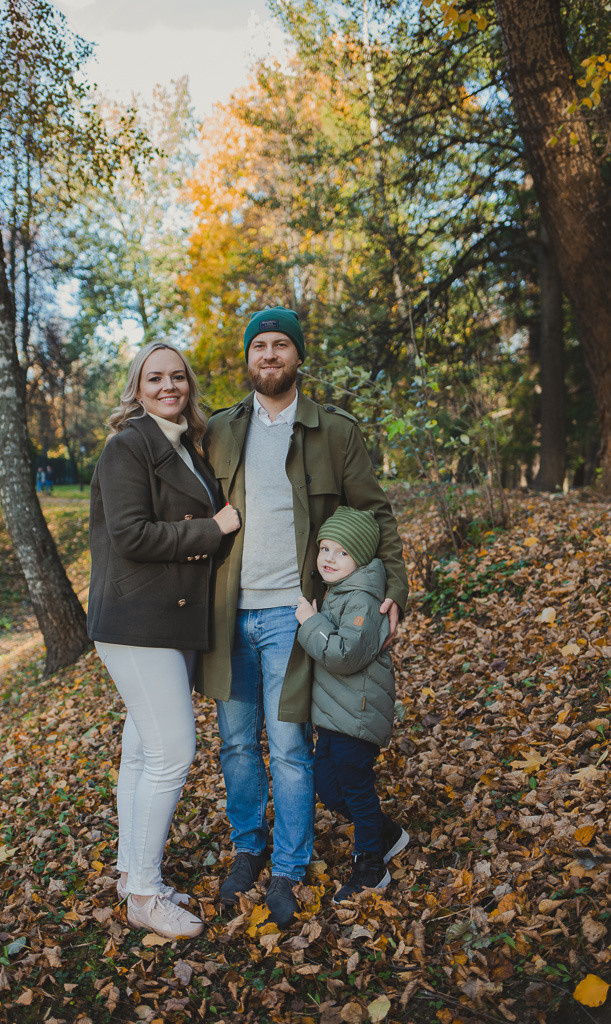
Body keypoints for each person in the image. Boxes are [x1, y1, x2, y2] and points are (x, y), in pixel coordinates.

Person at [199, 306, 408, 927]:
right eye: (259, 345)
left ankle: (289, 867)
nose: (269, 354)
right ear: (248, 357)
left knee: (289, 748)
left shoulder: (334, 432)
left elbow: (378, 514)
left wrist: (394, 586)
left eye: (280, 344)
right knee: (236, 744)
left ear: (297, 357)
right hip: (225, 616)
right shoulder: (218, 430)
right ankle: (248, 847)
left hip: (295, 617)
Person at [87, 341, 240, 940]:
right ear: (138, 386)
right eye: (155, 378)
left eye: (177, 377)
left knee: (146, 753)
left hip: (166, 623)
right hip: (136, 622)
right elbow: (130, 535)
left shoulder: (187, 445)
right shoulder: (129, 445)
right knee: (174, 753)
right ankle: (146, 896)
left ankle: (133, 876)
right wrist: (213, 528)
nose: (168, 386)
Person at [295, 506, 410, 902]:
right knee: (329, 788)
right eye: (325, 548)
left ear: (359, 558)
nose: (328, 558)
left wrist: (310, 622)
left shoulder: (361, 599)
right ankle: (389, 833)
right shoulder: (340, 591)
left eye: (341, 552)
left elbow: (345, 655)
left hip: (357, 715)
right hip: (334, 716)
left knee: (357, 791)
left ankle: (371, 868)